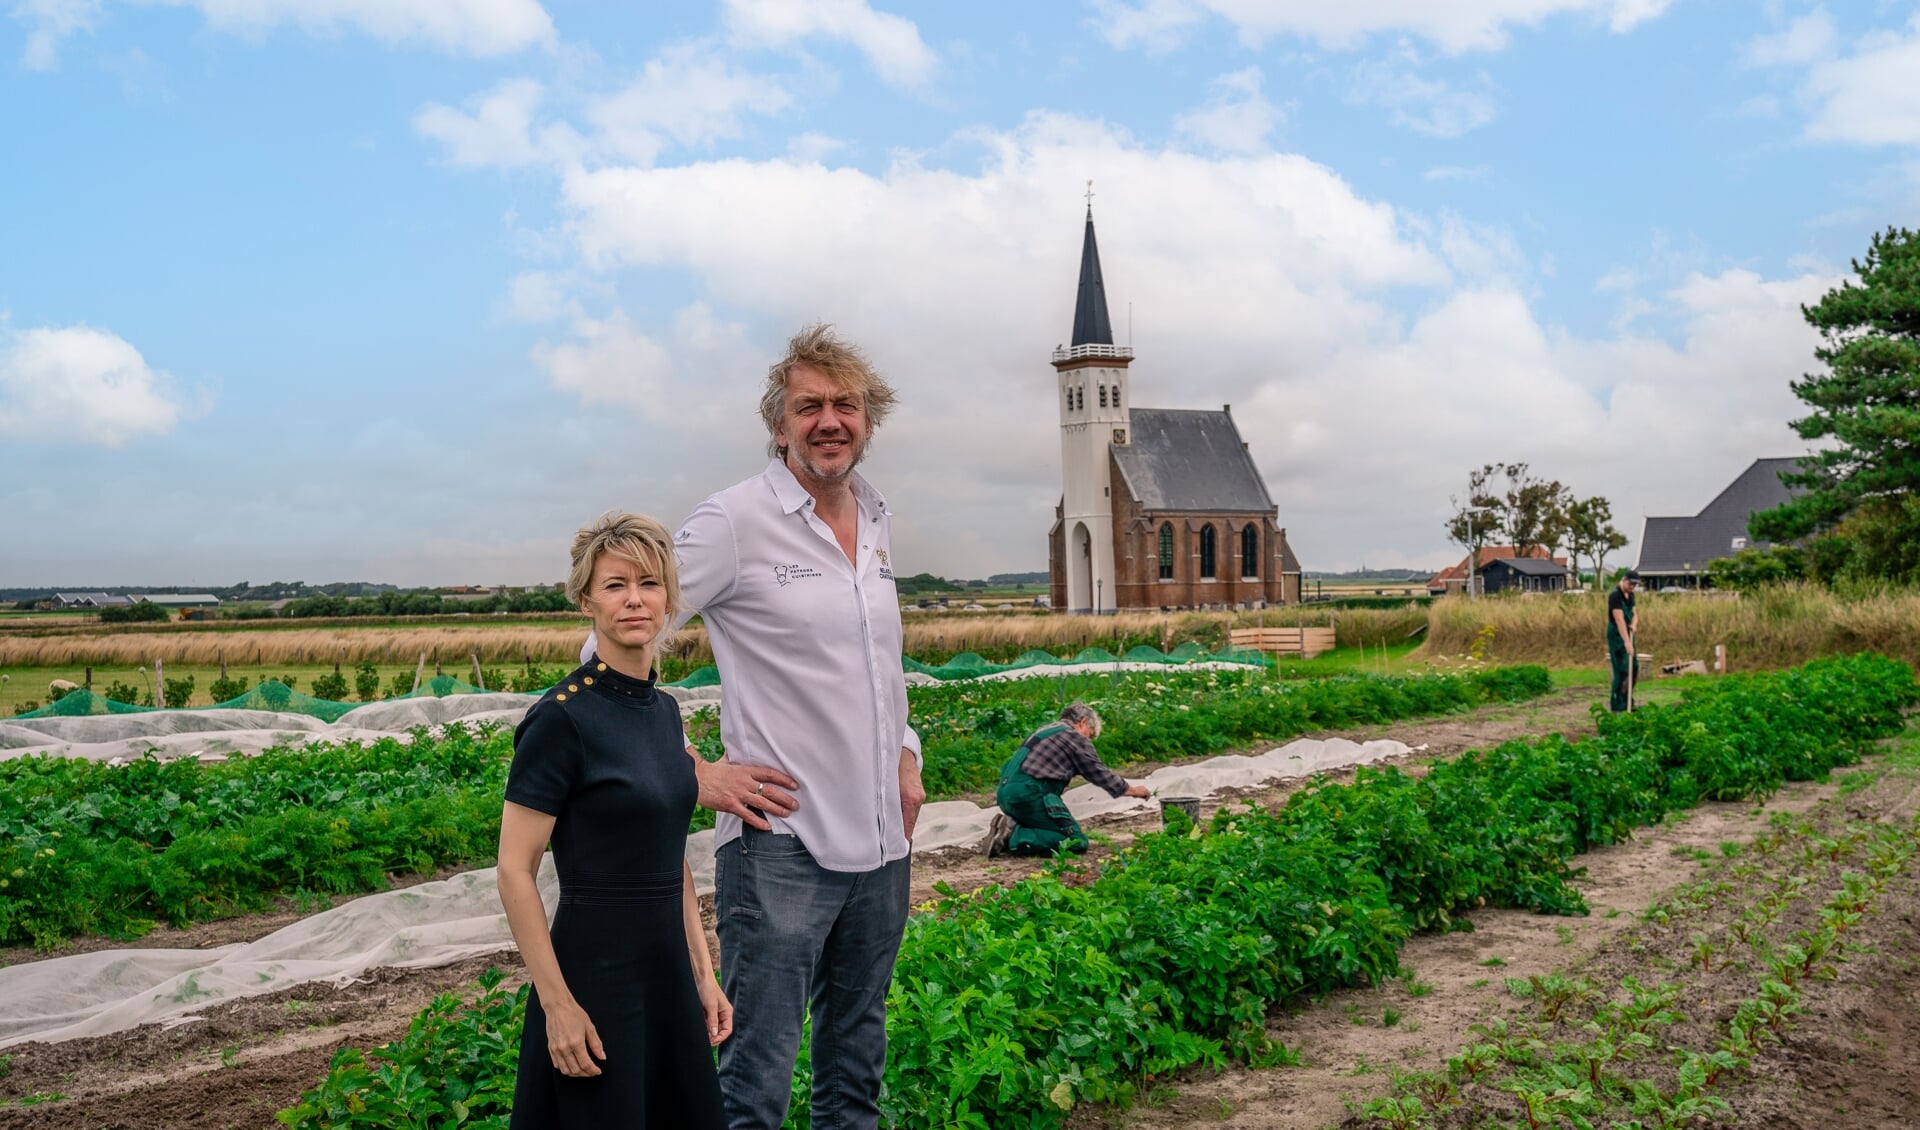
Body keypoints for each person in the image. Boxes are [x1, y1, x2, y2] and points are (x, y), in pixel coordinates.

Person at [582, 324, 922, 1130]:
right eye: (809, 407)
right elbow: (618, 635)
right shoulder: (733, 521)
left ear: (869, 420)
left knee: (855, 1071)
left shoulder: (875, 518)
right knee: (754, 1084)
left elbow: (880, 661)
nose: (829, 421)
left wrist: (906, 754)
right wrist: (687, 774)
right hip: (783, 849)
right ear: (779, 425)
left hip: (883, 848)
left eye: (846, 405)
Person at [497, 512, 729, 1128]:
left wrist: (703, 975)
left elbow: (667, 853)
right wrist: (557, 1005)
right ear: (586, 600)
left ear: (669, 600)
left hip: (667, 978)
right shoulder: (561, 720)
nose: (634, 600)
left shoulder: (665, 713)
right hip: (594, 977)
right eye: (615, 585)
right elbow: (514, 870)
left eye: (649, 584)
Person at [985, 702, 1149, 857]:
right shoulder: (1072, 736)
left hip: (1006, 794)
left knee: (1045, 827)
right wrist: (1132, 790)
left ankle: (1012, 825)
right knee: (1075, 841)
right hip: (1031, 793)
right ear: (1083, 722)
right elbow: (1097, 771)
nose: (1088, 740)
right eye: (1090, 735)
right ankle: (1013, 835)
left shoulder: (1044, 732)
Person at [1607, 568, 1641, 713]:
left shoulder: (1630, 595)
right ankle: (1617, 705)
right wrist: (1626, 642)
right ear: (1624, 580)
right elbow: (1619, 620)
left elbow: (1635, 614)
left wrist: (1634, 624)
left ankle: (1628, 700)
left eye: (1634, 585)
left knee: (1634, 668)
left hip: (1628, 633)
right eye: (1630, 584)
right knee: (1622, 670)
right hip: (1617, 635)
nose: (1632, 587)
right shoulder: (1615, 596)